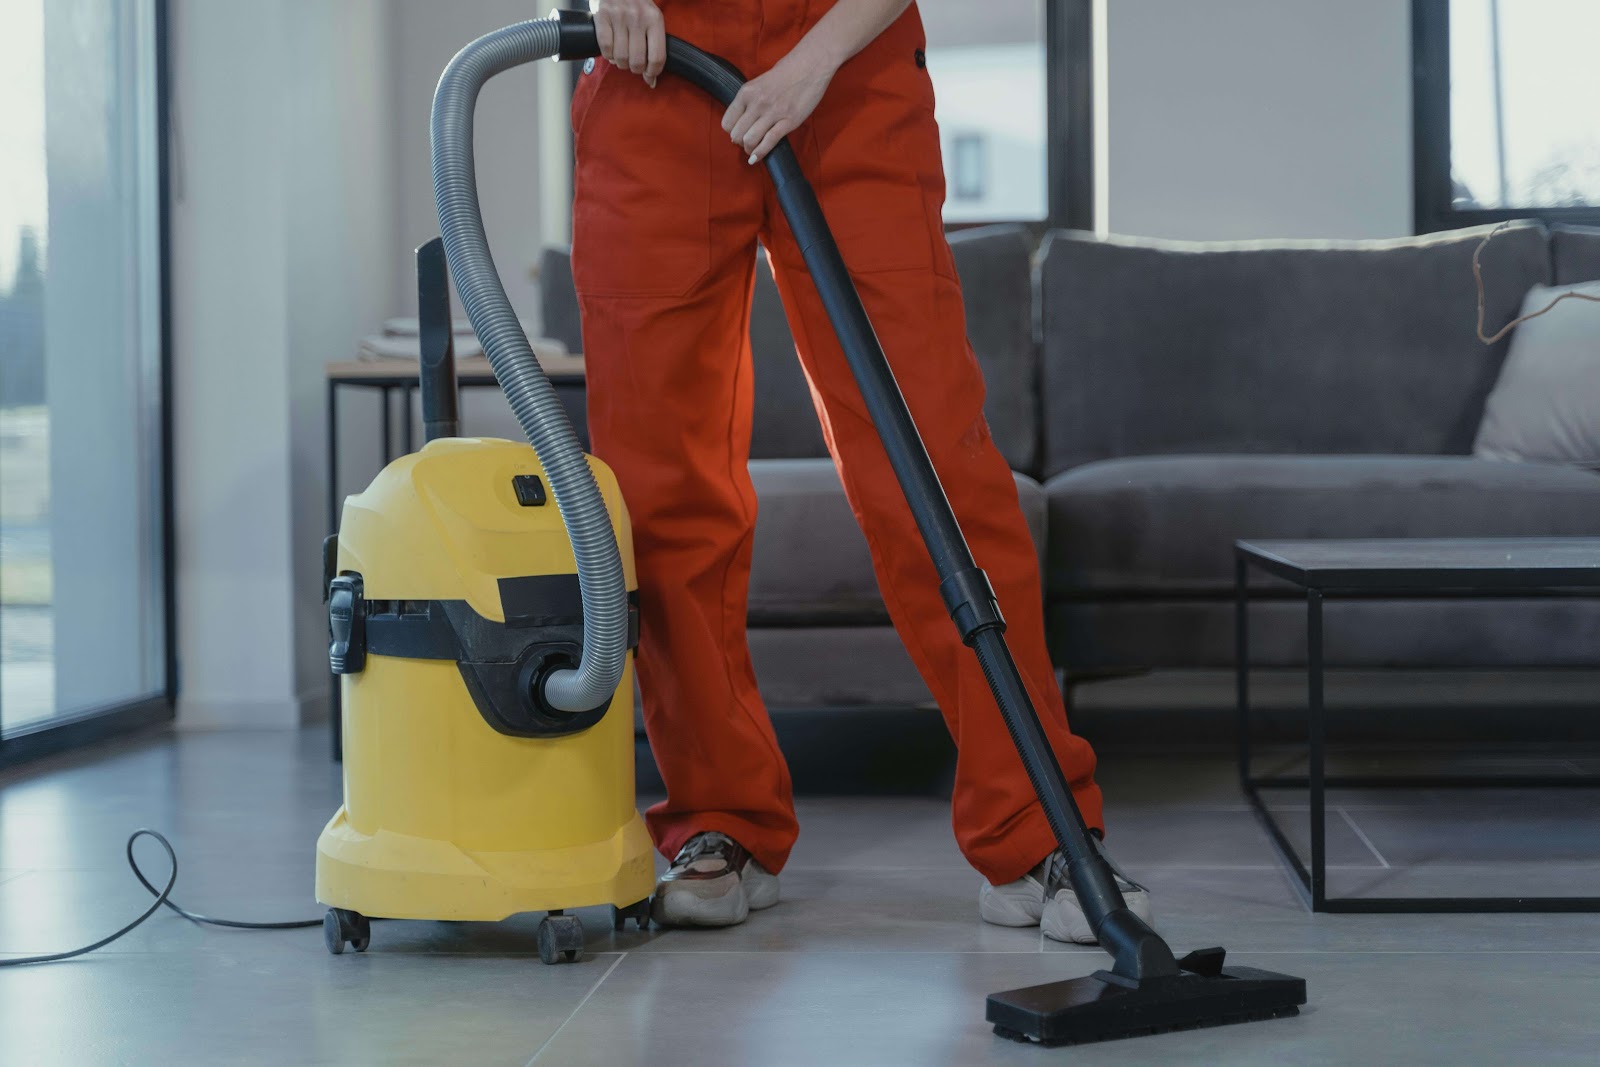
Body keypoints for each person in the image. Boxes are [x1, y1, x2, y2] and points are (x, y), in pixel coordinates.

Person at [572, 0, 1152, 943]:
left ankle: (1040, 832)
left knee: (932, 466)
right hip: (654, 69)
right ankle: (721, 818)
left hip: (847, 62)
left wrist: (816, 58)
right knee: (659, 487)